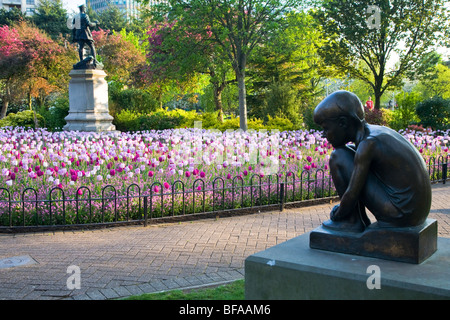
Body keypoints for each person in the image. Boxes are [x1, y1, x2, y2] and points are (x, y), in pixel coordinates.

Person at [313, 90, 431, 232]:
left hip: (400, 214)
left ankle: (351, 221)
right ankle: (355, 219)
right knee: (348, 151)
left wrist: (338, 214)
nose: (324, 135)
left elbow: (352, 192)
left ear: (343, 123)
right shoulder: (376, 132)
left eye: (326, 128)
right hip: (415, 213)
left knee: (338, 156)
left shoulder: (368, 144)